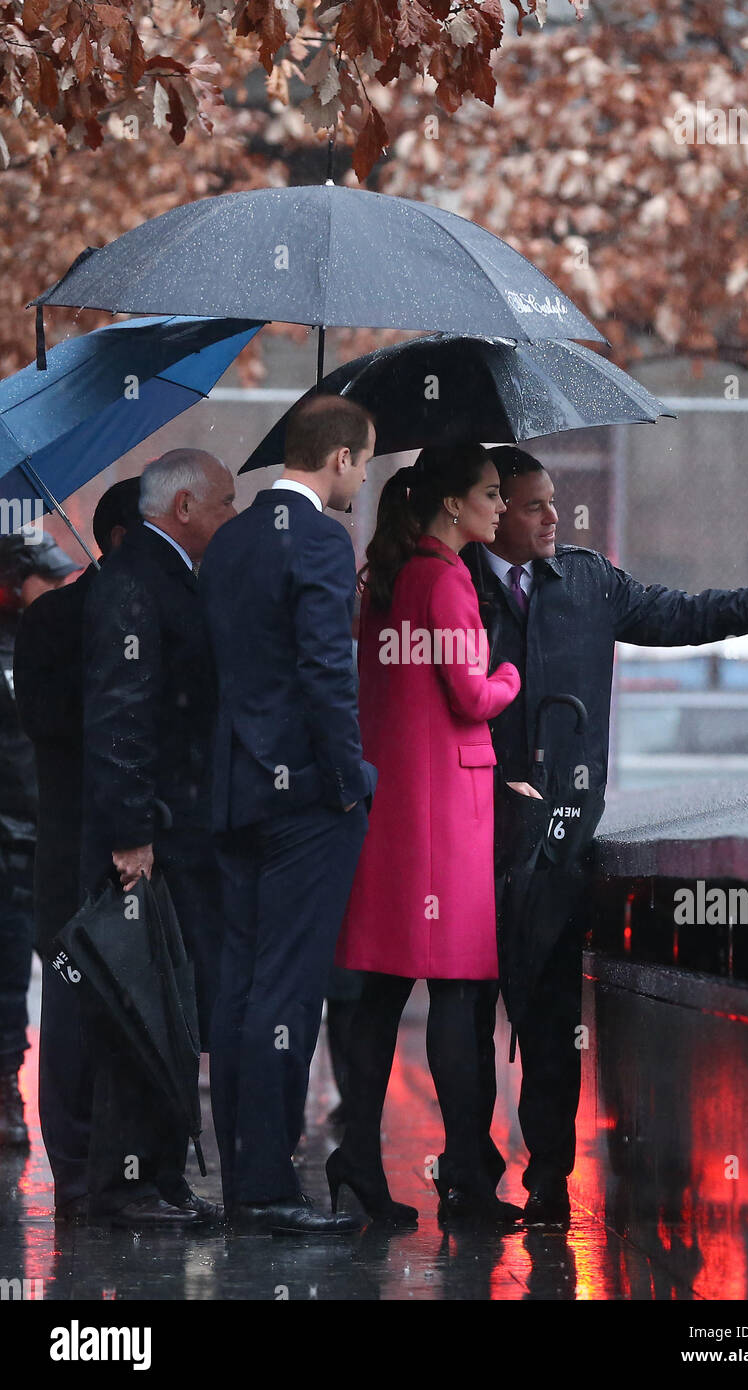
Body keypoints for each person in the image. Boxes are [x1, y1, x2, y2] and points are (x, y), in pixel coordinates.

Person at [462, 444, 748, 1226]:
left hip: (559, 838)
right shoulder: (452, 584)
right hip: (466, 834)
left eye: (552, 502)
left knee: (551, 1020)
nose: (552, 517)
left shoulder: (588, 580)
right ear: (494, 514)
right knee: (462, 1017)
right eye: (533, 506)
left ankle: (549, 1183)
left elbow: (675, 614)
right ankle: (465, 1177)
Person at [199, 394, 377, 1235]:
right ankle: (270, 1190)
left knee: (238, 986)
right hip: (306, 797)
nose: (364, 477)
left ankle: (245, 1178)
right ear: (339, 457)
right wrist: (350, 777)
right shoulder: (320, 540)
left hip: (231, 794)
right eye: (364, 460)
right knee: (288, 991)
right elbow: (325, 672)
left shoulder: (228, 539)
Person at [331, 443, 523, 1225]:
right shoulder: (444, 581)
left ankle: (357, 1164)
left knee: (379, 990)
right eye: (490, 493)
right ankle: (469, 1188)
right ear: (452, 504)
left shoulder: (385, 576)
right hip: (447, 809)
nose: (501, 507)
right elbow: (473, 694)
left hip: (395, 810)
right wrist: (511, 673)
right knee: (456, 990)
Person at [80, 449, 235, 1229]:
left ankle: (161, 1178)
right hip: (151, 844)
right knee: (143, 1009)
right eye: (225, 505)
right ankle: (129, 1183)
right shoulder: (139, 582)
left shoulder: (159, 574)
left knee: (172, 1009)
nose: (232, 518)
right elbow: (120, 716)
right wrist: (132, 834)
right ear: (183, 508)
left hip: (177, 833)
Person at [14, 478, 141, 1223]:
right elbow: (48, 724)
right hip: (76, 846)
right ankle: (82, 1174)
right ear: (126, 539)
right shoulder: (58, 620)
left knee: (117, 1007)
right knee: (74, 1004)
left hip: (84, 844)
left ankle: (106, 1169)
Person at [0, 533, 78, 1149]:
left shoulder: (49, 643)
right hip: (8, 839)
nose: (57, 591)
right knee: (5, 977)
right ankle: (6, 1090)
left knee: (67, 972)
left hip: (46, 832)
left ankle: (66, 1102)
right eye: (46, 581)